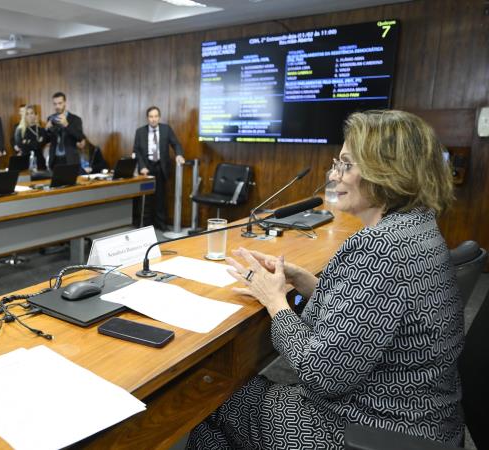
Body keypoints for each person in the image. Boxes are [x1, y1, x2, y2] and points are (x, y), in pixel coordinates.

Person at [186, 110, 463, 449]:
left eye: (346, 164)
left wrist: (274, 301)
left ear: (387, 171)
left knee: (212, 398)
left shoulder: (381, 247)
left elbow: (321, 375)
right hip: (421, 421)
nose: (334, 174)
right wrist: (308, 283)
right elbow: (372, 317)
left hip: (365, 429)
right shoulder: (417, 227)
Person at [133, 106, 185, 230]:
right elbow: (136, 151)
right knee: (147, 198)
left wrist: (179, 154)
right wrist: (142, 167)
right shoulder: (140, 131)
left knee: (161, 198)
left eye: (156, 116)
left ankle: (161, 224)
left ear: (159, 117)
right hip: (147, 167)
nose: (153, 119)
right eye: (151, 116)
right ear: (147, 118)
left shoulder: (166, 129)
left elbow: (176, 143)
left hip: (161, 166)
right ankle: (145, 225)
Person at [46, 92, 84, 168]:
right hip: (55, 160)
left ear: (65, 103)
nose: (57, 106)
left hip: (70, 160)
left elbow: (80, 137)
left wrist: (67, 125)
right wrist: (46, 129)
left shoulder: (75, 119)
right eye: (55, 104)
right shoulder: (50, 119)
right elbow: (47, 140)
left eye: (60, 103)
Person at [18, 105, 47, 170]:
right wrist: (37, 142)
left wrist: (28, 141)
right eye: (27, 114)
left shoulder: (41, 130)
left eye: (32, 113)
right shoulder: (20, 130)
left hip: (40, 162)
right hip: (25, 162)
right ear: (24, 116)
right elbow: (21, 146)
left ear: (35, 115)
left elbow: (41, 144)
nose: (30, 116)